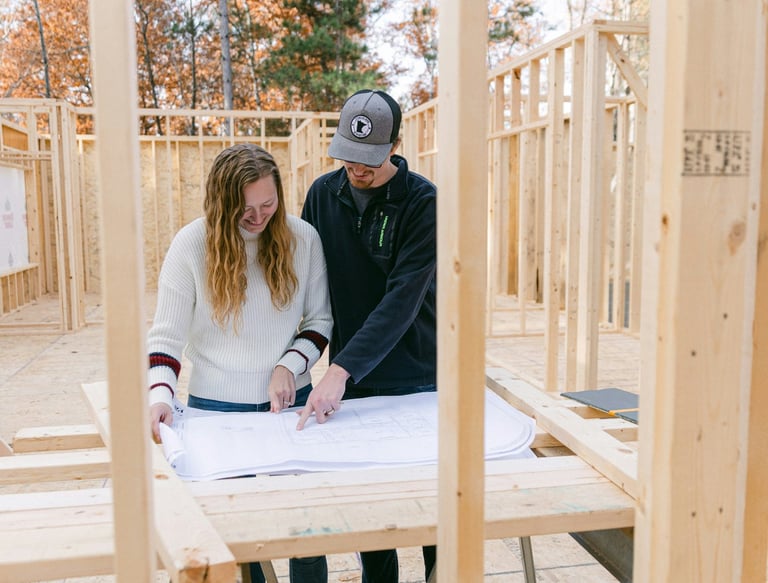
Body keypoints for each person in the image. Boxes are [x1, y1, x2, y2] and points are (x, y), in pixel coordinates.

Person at [146, 143, 333, 583]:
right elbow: (166, 337)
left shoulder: (302, 238)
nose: (257, 216)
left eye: (267, 204)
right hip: (216, 413)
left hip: (292, 408)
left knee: (305, 531)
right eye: (244, 208)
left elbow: (320, 318)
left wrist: (289, 364)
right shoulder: (191, 245)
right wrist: (159, 394)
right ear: (220, 203)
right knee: (235, 537)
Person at [297, 89, 437, 582]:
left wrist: (338, 370)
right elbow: (307, 283)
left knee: (430, 507)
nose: (358, 170)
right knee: (374, 510)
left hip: (416, 373)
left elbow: (402, 300)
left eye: (370, 162)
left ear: (396, 145)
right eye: (349, 158)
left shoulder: (422, 202)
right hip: (352, 378)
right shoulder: (321, 194)